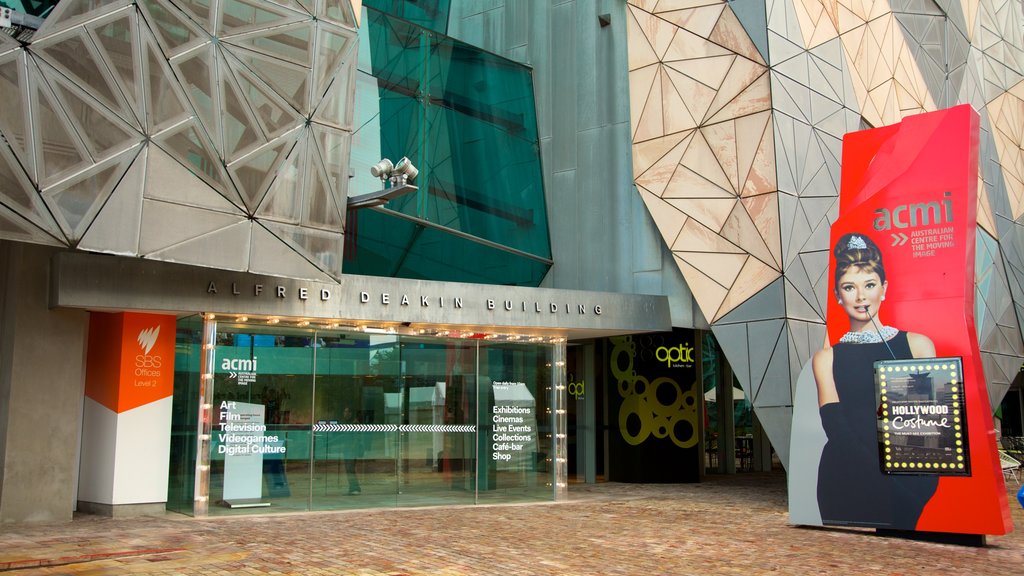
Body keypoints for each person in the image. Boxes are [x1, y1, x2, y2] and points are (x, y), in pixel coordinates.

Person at [811, 232, 938, 529]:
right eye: (849, 287)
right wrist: (886, 481)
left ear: (884, 288)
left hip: (909, 483)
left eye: (869, 285)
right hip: (845, 481)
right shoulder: (826, 358)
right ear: (837, 295)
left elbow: (931, 427)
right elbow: (836, 428)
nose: (861, 297)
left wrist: (917, 488)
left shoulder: (919, 346)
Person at [341, 405, 362, 495]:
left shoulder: (354, 423)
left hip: (351, 450)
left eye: (346, 412)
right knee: (349, 469)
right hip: (347, 449)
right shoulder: (347, 423)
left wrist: (352, 449)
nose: (344, 413)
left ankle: (355, 488)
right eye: (344, 412)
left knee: (350, 469)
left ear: (350, 413)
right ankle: (353, 487)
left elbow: (356, 438)